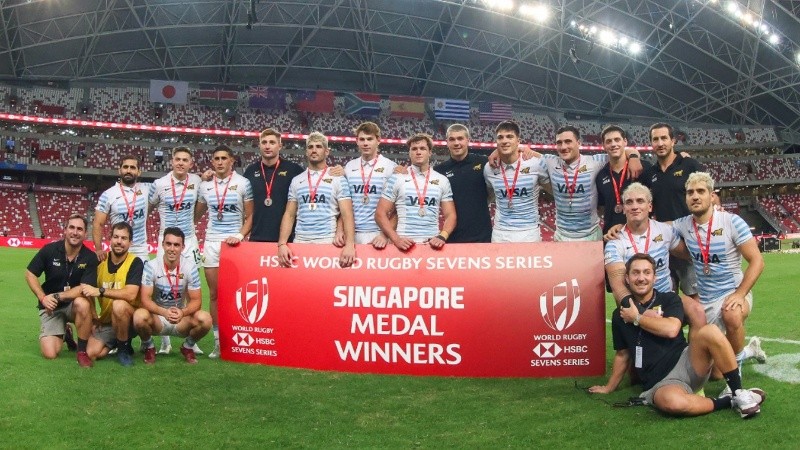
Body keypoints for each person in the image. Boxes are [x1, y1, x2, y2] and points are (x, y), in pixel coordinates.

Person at [589, 254, 766, 419]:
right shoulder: (619, 315)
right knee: (671, 403)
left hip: (688, 363)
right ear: (627, 278)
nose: (641, 278)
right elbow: (623, 354)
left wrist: (637, 318)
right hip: (661, 383)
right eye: (635, 273)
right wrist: (609, 387)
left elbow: (671, 329)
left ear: (654, 277)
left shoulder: (669, 299)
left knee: (710, 331)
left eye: (646, 272)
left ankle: (738, 392)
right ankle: (728, 401)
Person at [672, 172, 767, 377]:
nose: (695, 196)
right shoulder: (682, 224)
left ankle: (736, 375)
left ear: (711, 196)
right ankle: (750, 350)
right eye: (690, 193)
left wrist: (740, 294)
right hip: (705, 300)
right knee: (714, 373)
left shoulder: (732, 222)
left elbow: (758, 262)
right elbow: (655, 229)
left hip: (732, 292)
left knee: (731, 314)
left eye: (700, 191)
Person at [604, 183, 706, 340]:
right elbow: (618, 287)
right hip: (636, 302)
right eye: (629, 202)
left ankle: (693, 359)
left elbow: (688, 254)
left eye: (640, 201)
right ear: (624, 208)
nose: (635, 206)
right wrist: (641, 311)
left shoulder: (664, 231)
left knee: (698, 312)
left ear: (650, 206)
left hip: (666, 297)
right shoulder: (615, 242)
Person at [195, 144, 253, 358]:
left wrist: (240, 235)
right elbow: (196, 215)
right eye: (216, 158)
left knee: (235, 294)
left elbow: (250, 216)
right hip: (211, 243)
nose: (220, 162)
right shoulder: (205, 187)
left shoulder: (243, 183)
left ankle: (239, 339)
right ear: (212, 162)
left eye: (224, 158)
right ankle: (219, 342)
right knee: (215, 294)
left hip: (234, 244)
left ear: (232, 161)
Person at [148, 146, 204, 355]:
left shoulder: (197, 181)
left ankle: (191, 338)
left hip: (189, 240)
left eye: (185, 160)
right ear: (171, 161)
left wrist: (194, 221)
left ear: (191, 163)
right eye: (177, 159)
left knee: (191, 287)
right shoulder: (160, 184)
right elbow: (149, 206)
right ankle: (164, 339)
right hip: (167, 240)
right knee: (160, 286)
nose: (181, 163)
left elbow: (202, 203)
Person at [542, 125, 641, 241]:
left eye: (568, 141)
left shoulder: (595, 161)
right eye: (559, 143)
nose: (563, 147)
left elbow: (619, 151)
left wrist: (634, 157)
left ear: (578, 143)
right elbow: (527, 154)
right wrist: (524, 150)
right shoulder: (550, 161)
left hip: (591, 235)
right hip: (561, 236)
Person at [25, 214, 98, 367]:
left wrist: (58, 296)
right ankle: (66, 333)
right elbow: (30, 273)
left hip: (74, 306)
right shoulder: (49, 250)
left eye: (80, 229)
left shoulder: (90, 257)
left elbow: (84, 288)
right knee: (50, 353)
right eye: (71, 227)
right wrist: (43, 297)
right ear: (64, 230)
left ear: (85, 234)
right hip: (51, 307)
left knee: (82, 303)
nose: (75, 232)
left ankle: (82, 352)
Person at [640, 122, 703, 299]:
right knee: (665, 301)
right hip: (663, 247)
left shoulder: (689, 165)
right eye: (655, 139)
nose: (660, 143)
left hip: (689, 245)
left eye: (664, 138)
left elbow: (709, 197)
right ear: (651, 143)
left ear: (673, 141)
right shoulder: (649, 174)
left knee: (696, 301)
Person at [133, 227, 212, 365]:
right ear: (163, 244)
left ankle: (187, 347)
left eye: (176, 245)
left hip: (180, 319)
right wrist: (164, 312)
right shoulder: (151, 266)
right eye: (168, 244)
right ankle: (149, 346)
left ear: (183, 247)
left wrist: (183, 312)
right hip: (158, 317)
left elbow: (196, 301)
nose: (172, 248)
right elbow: (145, 299)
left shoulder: (190, 267)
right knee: (139, 316)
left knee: (205, 319)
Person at [277, 132, 356, 268]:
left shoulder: (337, 178)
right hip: (300, 241)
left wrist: (350, 244)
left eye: (318, 147)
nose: (314, 150)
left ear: (326, 151)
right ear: (306, 152)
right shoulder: (297, 180)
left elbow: (347, 214)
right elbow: (289, 215)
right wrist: (282, 243)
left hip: (328, 241)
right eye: (310, 147)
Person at [376, 133, 456, 250]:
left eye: (423, 148)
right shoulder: (397, 178)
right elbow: (380, 214)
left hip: (431, 244)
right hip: (403, 244)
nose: (418, 152)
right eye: (414, 149)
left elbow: (451, 215)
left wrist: (442, 236)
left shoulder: (442, 180)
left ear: (430, 152)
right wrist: (396, 239)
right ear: (409, 152)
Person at [82, 222, 144, 367]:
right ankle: (116, 342)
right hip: (107, 321)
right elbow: (87, 289)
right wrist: (93, 316)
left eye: (124, 238)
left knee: (119, 305)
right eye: (116, 237)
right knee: (91, 353)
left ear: (130, 242)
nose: (119, 241)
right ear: (110, 239)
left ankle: (123, 349)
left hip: (130, 319)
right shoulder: (100, 262)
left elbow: (131, 294)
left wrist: (101, 291)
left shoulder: (135, 262)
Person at [483, 120, 550, 242]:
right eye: (500, 137)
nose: (504, 140)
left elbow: (552, 188)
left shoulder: (535, 164)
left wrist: (533, 152)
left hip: (529, 232)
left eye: (509, 136)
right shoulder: (489, 168)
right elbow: (489, 196)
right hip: (500, 233)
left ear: (518, 141)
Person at [243, 128, 304, 243]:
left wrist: (334, 170)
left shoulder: (293, 170)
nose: (267, 146)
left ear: (280, 146)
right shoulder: (250, 171)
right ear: (259, 145)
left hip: (287, 240)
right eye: (264, 142)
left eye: (272, 142)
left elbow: (314, 177)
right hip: (257, 238)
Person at [434, 124, 492, 243]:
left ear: (468, 140)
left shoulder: (483, 162)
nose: (456, 143)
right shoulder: (439, 171)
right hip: (452, 237)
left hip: (482, 237)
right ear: (447, 142)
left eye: (460, 138)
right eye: (452, 139)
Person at [343, 122, 397, 248]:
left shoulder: (390, 167)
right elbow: (344, 203)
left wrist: (385, 234)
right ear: (357, 141)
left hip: (379, 234)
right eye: (362, 139)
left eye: (369, 139)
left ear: (378, 140)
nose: (365, 143)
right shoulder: (349, 167)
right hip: (352, 233)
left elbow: (398, 208)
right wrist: (340, 231)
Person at [595, 125, 652, 234]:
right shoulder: (601, 175)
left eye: (617, 140)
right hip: (611, 235)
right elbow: (601, 207)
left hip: (640, 235)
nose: (613, 144)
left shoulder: (642, 168)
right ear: (603, 145)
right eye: (609, 141)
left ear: (625, 141)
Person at [93, 155, 151, 261]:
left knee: (142, 277)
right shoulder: (108, 194)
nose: (128, 170)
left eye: (133, 168)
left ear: (139, 172)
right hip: (118, 248)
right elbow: (98, 223)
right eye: (125, 167)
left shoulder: (147, 189)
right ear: (119, 170)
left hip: (140, 250)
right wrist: (98, 249)